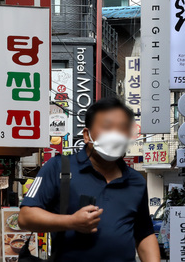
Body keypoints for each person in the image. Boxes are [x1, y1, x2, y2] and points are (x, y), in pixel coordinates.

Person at [19, 97, 160, 262]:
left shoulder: (136, 181)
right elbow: (25, 217)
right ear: (87, 135)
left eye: (122, 128)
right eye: (107, 127)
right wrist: (71, 221)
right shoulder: (59, 168)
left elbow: (144, 234)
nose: (115, 135)